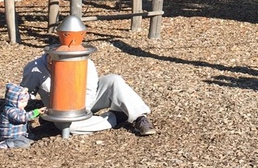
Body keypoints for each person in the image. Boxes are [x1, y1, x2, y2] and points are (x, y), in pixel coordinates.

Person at [20, 52, 156, 137]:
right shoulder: (34, 68)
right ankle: (116, 117)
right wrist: (18, 115)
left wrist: (79, 110)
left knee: (114, 80)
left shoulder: (85, 62)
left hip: (87, 101)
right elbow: (26, 94)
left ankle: (139, 117)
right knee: (69, 127)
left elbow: (90, 90)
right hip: (59, 111)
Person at [0, 83, 43, 151]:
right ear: (13, 101)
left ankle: (22, 139)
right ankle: (5, 144)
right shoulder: (11, 111)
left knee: (32, 138)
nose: (25, 104)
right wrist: (35, 112)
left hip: (19, 133)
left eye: (25, 102)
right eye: (22, 102)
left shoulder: (19, 108)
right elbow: (21, 118)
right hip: (11, 136)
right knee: (24, 144)